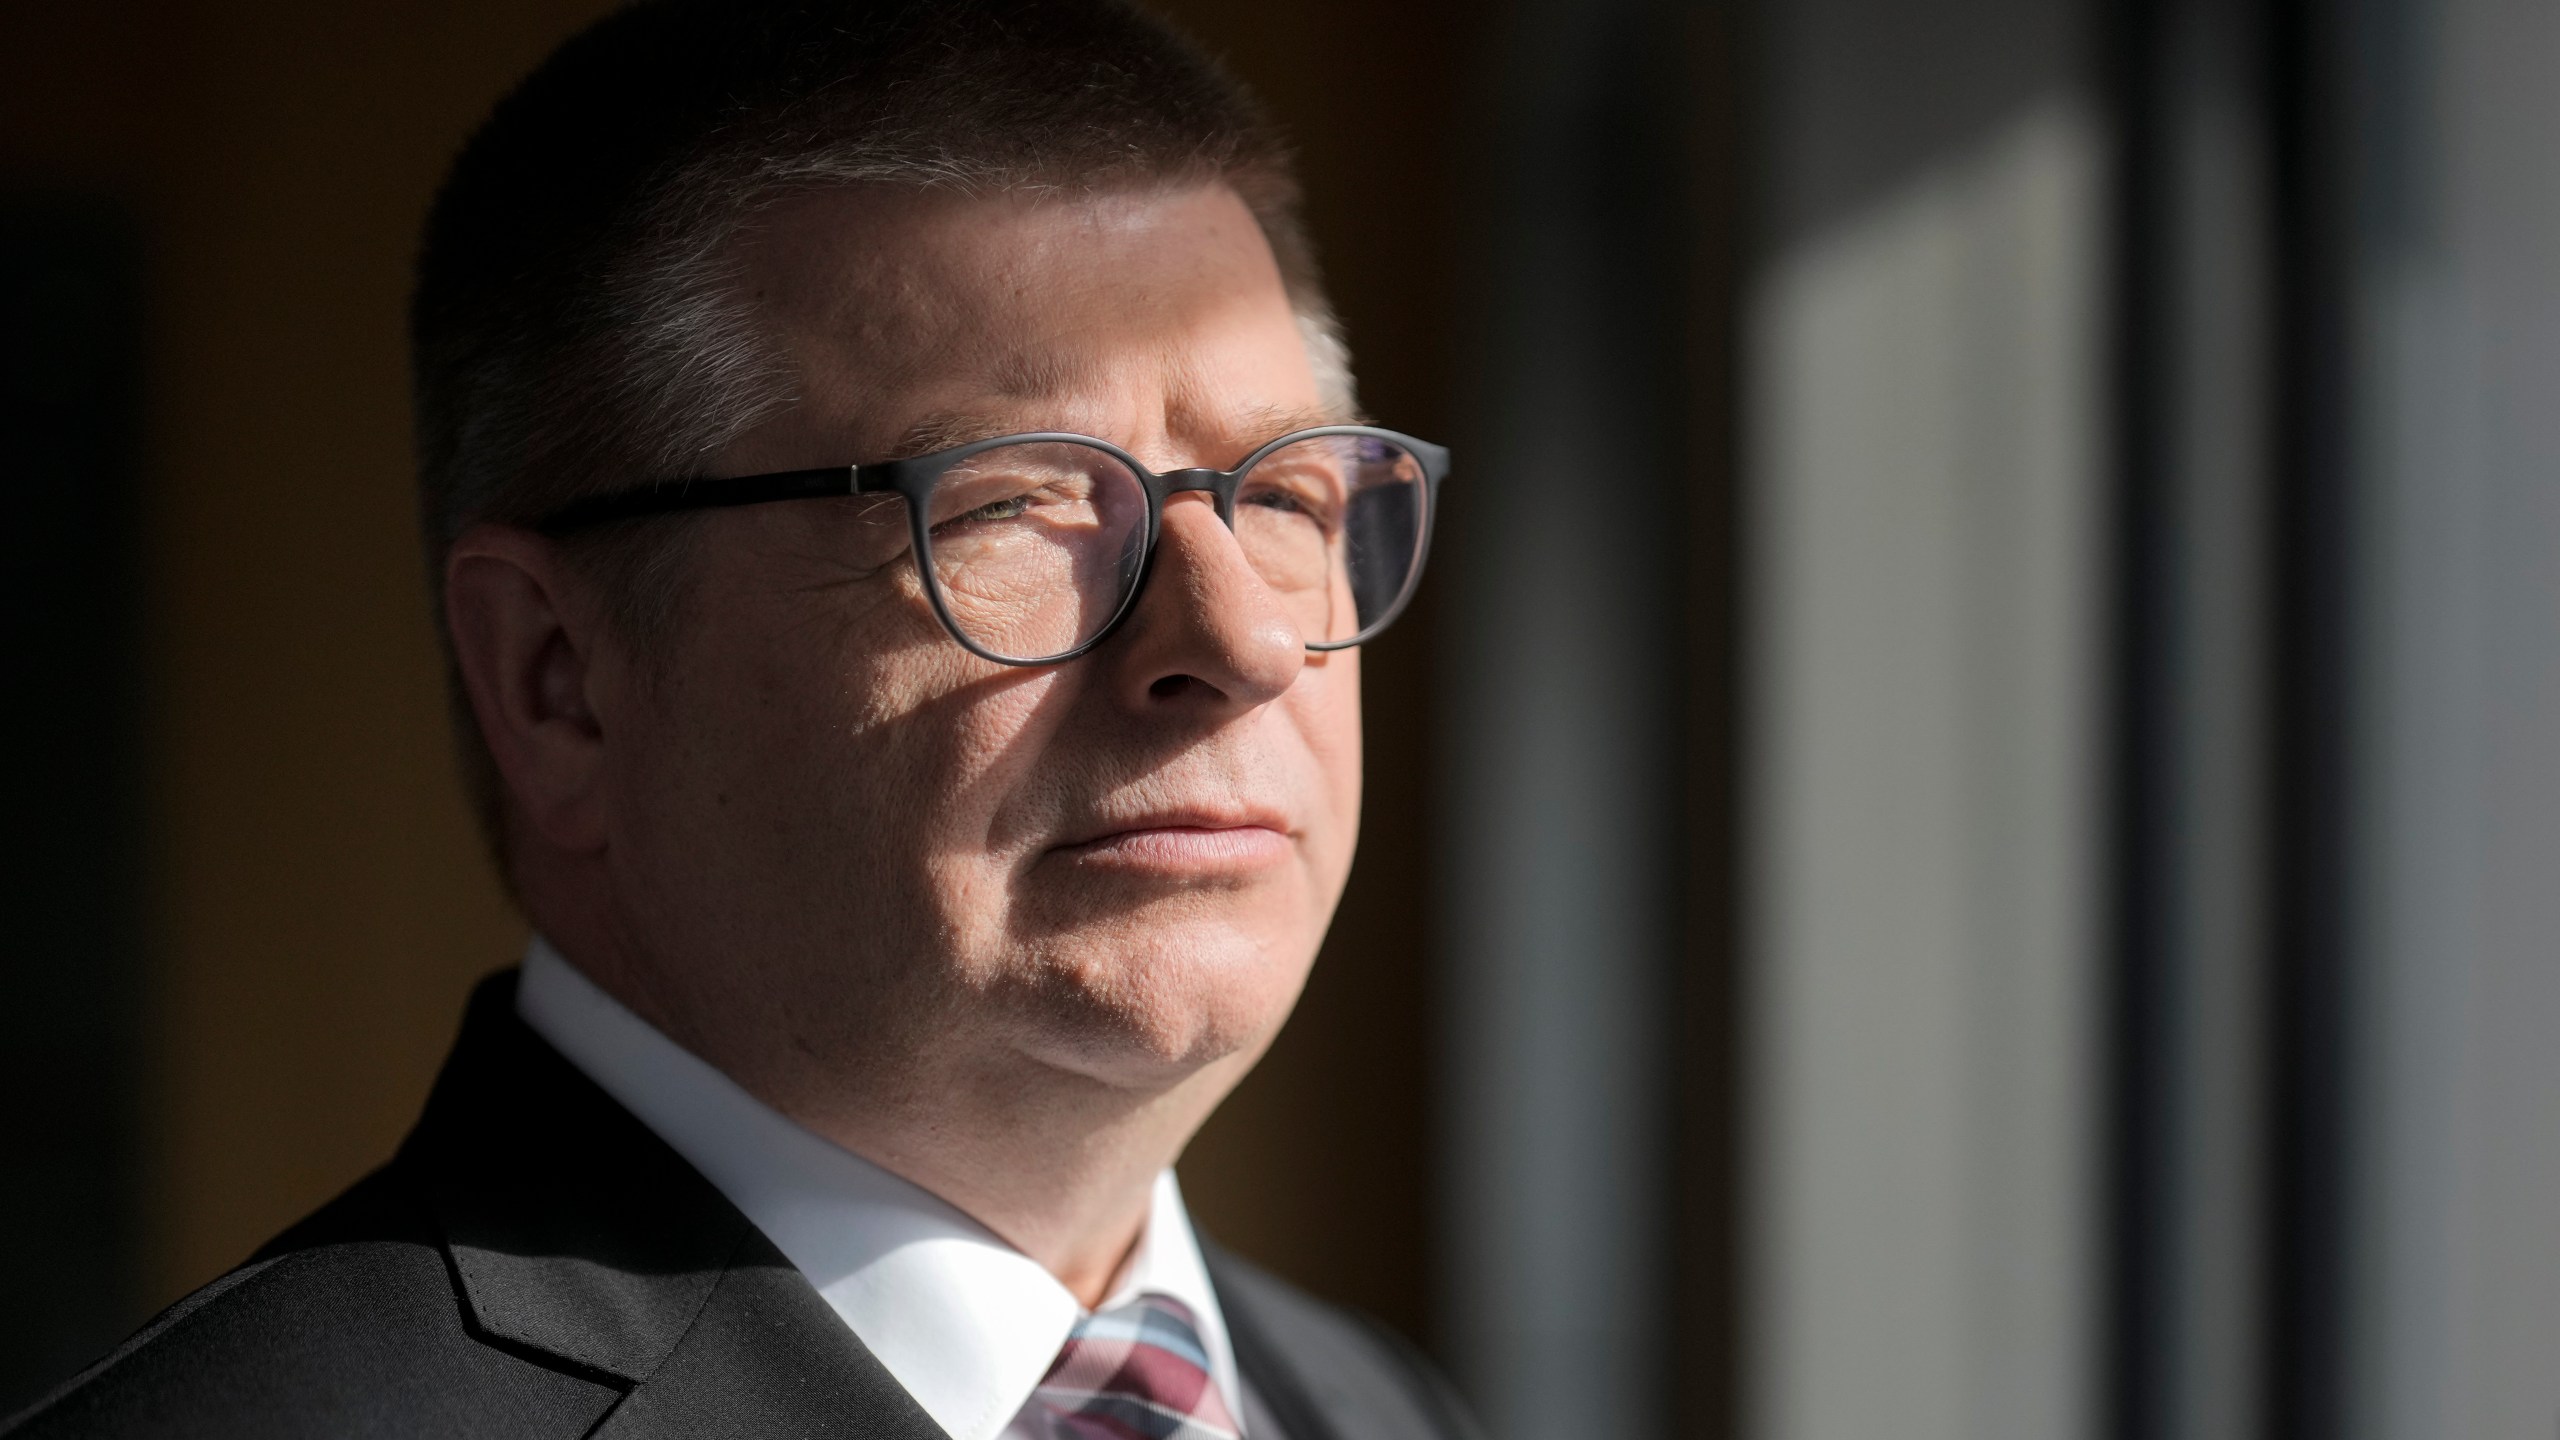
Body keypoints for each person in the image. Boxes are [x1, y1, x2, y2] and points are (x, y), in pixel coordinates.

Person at [3, 2, 1470, 1437]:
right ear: (557, 681)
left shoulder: (1383, 1409)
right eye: (1014, 500)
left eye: (1282, 496)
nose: (1245, 640)